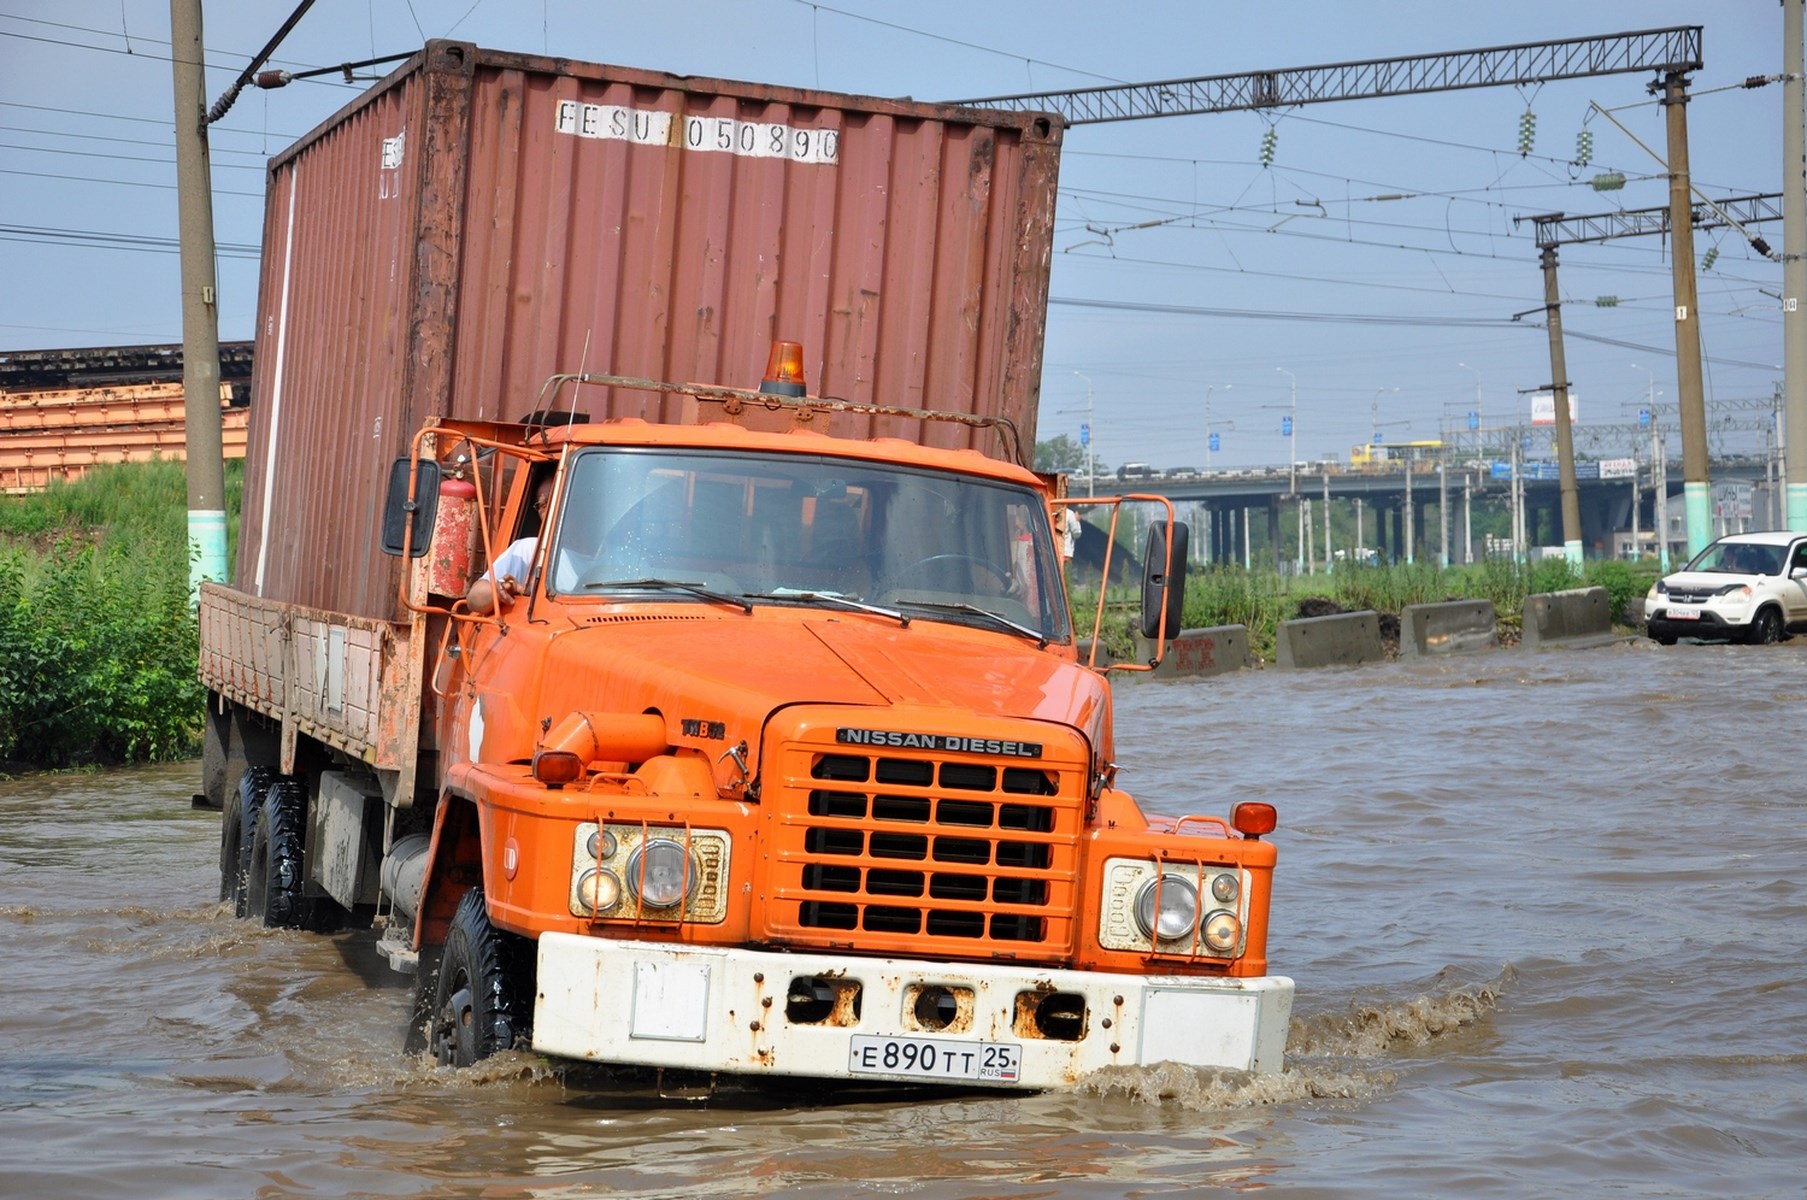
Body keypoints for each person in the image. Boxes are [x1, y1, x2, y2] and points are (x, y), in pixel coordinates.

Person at [466, 477, 553, 613]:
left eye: (557, 500)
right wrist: (503, 588)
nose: (550, 509)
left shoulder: (599, 558)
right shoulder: (531, 548)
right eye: (543, 504)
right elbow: (474, 599)